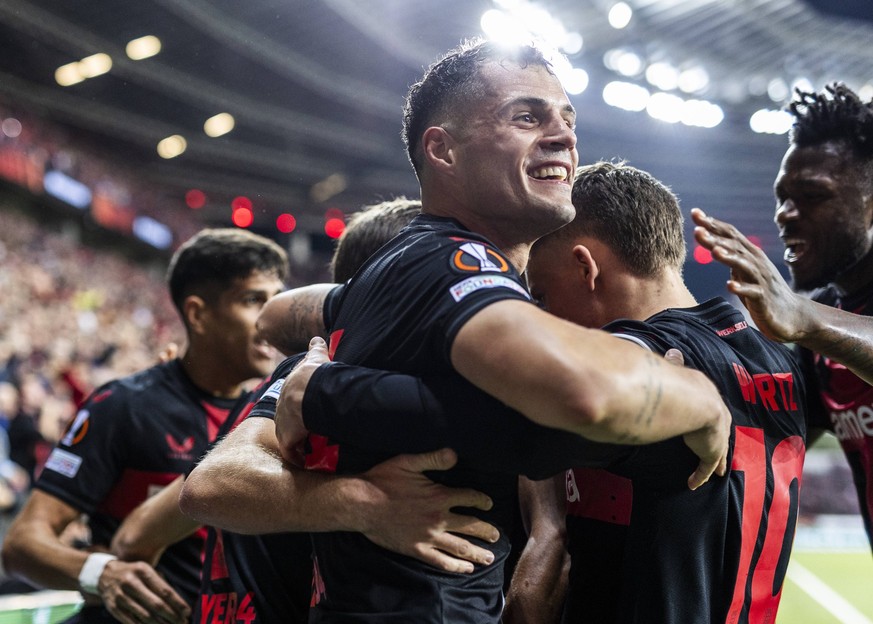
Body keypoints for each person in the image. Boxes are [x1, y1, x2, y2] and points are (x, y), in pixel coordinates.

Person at [189, 38, 730, 622]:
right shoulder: (452, 261)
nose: (563, 136)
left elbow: (506, 428)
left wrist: (322, 393)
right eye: (526, 117)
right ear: (442, 151)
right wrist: (698, 397)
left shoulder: (401, 272)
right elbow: (583, 393)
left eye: (567, 119)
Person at [286, 161, 809, 623]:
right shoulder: (775, 359)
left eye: (539, 293)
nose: (537, 316)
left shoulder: (640, 359)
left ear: (586, 268)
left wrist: (326, 393)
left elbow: (518, 420)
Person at [111, 198, 497, 624]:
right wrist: (369, 504)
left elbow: (141, 532)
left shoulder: (290, 392)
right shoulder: (306, 385)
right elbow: (192, 497)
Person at [1, 228, 289, 624]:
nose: (270, 316)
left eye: (276, 300)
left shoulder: (275, 407)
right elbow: (21, 545)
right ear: (197, 313)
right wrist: (101, 574)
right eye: (253, 299)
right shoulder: (125, 405)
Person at [693, 82, 873, 548]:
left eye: (812, 196)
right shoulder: (828, 324)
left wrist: (806, 317)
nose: (785, 214)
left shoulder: (819, 323)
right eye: (782, 196)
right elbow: (769, 440)